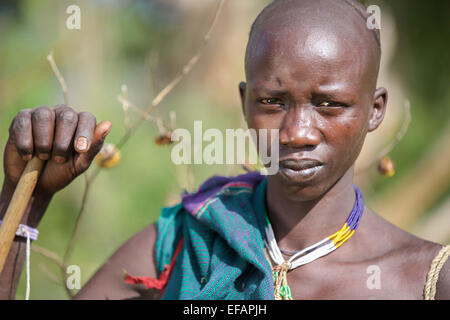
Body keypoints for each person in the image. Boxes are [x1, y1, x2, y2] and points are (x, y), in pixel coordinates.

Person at [0, 0, 448, 300]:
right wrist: (25, 200)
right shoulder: (183, 244)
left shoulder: (427, 280)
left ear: (374, 110)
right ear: (244, 102)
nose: (296, 132)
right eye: (272, 102)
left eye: (329, 104)